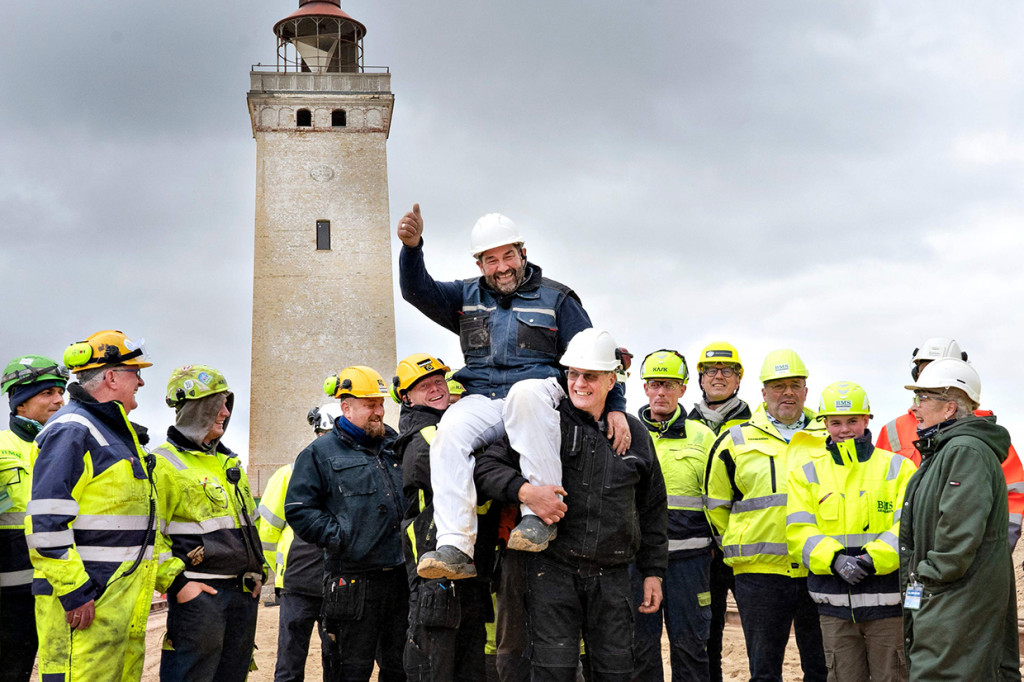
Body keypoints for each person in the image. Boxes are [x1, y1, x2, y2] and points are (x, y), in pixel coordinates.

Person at [396, 205, 630, 578]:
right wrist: (412, 248)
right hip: (484, 398)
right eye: (491, 260)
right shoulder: (464, 297)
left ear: (523, 253)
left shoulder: (558, 299)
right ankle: (455, 545)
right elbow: (416, 291)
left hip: (540, 393)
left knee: (524, 394)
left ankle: (538, 516)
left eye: (508, 255)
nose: (501, 266)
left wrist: (615, 405)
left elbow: (594, 354)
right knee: (450, 430)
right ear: (480, 265)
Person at [479, 328, 668, 682]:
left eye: (591, 376)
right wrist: (525, 491)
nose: (580, 383)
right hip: (551, 572)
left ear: (612, 380)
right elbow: (487, 468)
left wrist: (654, 571)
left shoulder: (635, 435)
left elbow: (653, 506)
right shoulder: (544, 421)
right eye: (573, 374)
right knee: (553, 671)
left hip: (613, 577)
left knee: (615, 671)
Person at [26, 330, 163, 682]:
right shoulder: (73, 430)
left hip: (113, 606)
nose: (141, 381)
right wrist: (74, 592)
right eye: (135, 372)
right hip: (87, 607)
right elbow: (45, 522)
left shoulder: (114, 433)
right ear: (112, 376)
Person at [705, 349, 827, 682]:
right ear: (763, 393)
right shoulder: (735, 440)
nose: (787, 393)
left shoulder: (828, 437)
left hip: (818, 567)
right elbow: (716, 506)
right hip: (759, 575)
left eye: (794, 385)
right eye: (778, 386)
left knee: (822, 667)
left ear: (805, 390)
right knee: (764, 670)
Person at [898, 359, 1020, 680]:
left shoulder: (965, 451)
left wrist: (925, 579)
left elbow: (957, 537)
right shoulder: (944, 450)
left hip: (956, 603)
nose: (916, 408)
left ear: (950, 408)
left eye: (923, 398)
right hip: (949, 599)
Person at [786, 382, 916, 682]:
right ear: (825, 424)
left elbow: (907, 528)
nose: (845, 429)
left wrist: (872, 559)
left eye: (852, 421)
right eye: (836, 422)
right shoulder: (807, 473)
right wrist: (833, 559)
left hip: (888, 605)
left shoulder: (899, 468)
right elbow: (798, 530)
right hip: (835, 606)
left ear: (867, 419)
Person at [285, 366, 408, 682]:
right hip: (352, 584)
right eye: (370, 405)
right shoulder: (319, 453)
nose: (378, 412)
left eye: (380, 404)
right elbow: (299, 510)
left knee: (401, 668)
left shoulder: (394, 445)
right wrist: (342, 538)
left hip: (400, 579)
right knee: (348, 672)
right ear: (346, 407)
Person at [392, 353, 500, 681]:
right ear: (406, 396)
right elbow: (479, 483)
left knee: (467, 661)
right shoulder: (431, 437)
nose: (436, 389)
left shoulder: (446, 428)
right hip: (435, 571)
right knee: (436, 666)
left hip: (463, 568)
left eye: (439, 381)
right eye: (424, 386)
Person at [153, 365, 264, 682]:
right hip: (199, 595)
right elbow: (152, 538)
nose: (226, 413)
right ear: (192, 408)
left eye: (228, 403)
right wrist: (179, 586)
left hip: (241, 593)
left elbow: (249, 527)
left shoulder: (229, 462)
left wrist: (259, 571)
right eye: (217, 404)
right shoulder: (163, 463)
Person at [876, 337, 1024, 549]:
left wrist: (999, 545)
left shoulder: (985, 432)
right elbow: (879, 494)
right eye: (927, 371)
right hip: (906, 550)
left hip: (964, 551)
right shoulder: (892, 431)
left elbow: (1014, 492)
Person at [631, 349, 716, 682]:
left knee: (692, 648)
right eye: (654, 384)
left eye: (668, 384)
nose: (660, 392)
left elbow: (717, 501)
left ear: (683, 389)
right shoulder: (627, 433)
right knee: (640, 649)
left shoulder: (703, 437)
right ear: (645, 388)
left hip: (690, 564)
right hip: (637, 564)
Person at [259, 401, 341, 682]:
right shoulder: (287, 475)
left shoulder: (351, 474)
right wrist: (281, 570)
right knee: (291, 663)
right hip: (298, 583)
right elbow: (267, 534)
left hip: (337, 583)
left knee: (337, 660)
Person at [0, 355, 68, 681]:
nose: (59, 399)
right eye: (48, 393)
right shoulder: (1, 448)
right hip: (11, 601)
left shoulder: (70, 447)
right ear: (20, 404)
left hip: (64, 591)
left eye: (61, 392)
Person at [686, 341, 751, 682]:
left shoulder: (755, 423)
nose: (719, 377)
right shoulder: (684, 423)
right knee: (705, 632)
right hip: (699, 547)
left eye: (728, 371)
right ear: (700, 378)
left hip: (743, 543)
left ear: (739, 379)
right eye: (711, 371)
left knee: (757, 633)